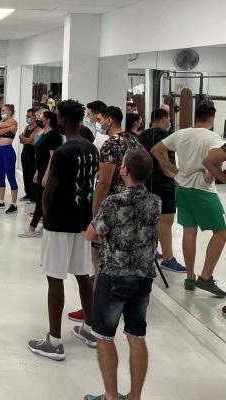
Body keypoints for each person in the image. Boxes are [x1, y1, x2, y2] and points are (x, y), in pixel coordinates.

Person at [84, 149, 160, 400]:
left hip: (114, 276)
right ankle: (135, 395)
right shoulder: (155, 201)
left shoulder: (114, 202)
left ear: (124, 170)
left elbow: (92, 233)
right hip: (143, 277)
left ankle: (110, 396)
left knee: (104, 337)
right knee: (137, 335)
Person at [27, 100, 99, 362]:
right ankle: (90, 329)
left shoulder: (63, 152)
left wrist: (46, 215)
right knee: (83, 275)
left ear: (64, 120)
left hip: (59, 223)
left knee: (55, 277)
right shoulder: (91, 149)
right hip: (82, 221)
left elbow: (50, 189)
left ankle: (55, 341)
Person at [69, 106, 142, 322]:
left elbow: (104, 182)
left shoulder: (111, 144)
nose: (98, 122)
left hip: (113, 208)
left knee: (99, 260)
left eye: (100, 118)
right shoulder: (133, 140)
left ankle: (97, 308)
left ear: (109, 120)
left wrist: (96, 214)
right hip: (133, 204)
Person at [152, 103, 226, 297]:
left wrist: (171, 169)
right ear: (211, 119)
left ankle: (190, 277)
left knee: (189, 231)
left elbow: (156, 150)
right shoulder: (213, 137)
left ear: (196, 116)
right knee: (221, 233)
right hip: (202, 191)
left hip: (182, 189)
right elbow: (213, 160)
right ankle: (206, 278)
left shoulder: (181, 134)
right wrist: (211, 175)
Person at [139, 108, 185, 272]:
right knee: (166, 221)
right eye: (168, 119)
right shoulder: (164, 136)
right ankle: (168, 259)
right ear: (164, 118)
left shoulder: (142, 135)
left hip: (145, 183)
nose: (169, 122)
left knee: (150, 220)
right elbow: (166, 164)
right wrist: (177, 175)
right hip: (163, 184)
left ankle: (151, 251)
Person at [19, 110, 62, 237]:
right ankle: (43, 226)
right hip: (41, 170)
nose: (38, 119)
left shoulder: (54, 135)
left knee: (41, 200)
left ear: (47, 120)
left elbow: (52, 157)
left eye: (40, 117)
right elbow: (39, 154)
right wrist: (37, 171)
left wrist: (46, 175)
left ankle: (32, 228)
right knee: (41, 199)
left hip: (47, 173)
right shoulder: (44, 133)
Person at [0, 104, 19, 214]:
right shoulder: (3, 122)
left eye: (4, 110)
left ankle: (14, 204)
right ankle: (1, 201)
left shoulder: (13, 122)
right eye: (1, 111)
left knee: (11, 177)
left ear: (10, 112)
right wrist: (7, 129)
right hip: (0, 152)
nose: (2, 112)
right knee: (0, 176)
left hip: (8, 151)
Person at [19, 108, 40, 202]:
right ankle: (28, 193)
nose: (27, 118)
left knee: (32, 174)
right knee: (26, 174)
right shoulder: (26, 127)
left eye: (29, 116)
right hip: (25, 153)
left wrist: (24, 138)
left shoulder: (38, 128)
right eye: (26, 116)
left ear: (35, 117)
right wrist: (26, 140)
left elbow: (29, 140)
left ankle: (34, 195)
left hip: (32, 154)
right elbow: (22, 141)